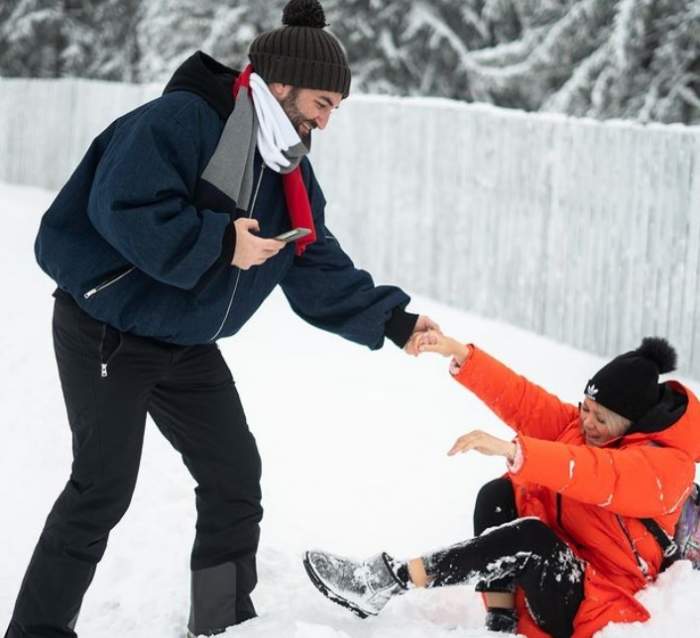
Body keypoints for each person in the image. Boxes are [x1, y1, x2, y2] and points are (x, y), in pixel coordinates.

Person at [4, 1, 440, 637]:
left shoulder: (287, 164)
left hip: (182, 340)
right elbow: (123, 206)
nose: (328, 118)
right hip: (111, 327)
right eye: (324, 102)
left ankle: (220, 624)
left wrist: (396, 323)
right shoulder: (182, 121)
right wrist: (219, 243)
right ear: (281, 84)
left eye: (335, 108)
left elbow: (311, 256)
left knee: (234, 479)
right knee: (101, 490)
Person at [304, 335, 700, 638]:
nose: (586, 422)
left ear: (632, 422)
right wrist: (458, 352)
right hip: (563, 574)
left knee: (530, 536)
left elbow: (596, 473)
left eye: (600, 417)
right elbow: (526, 401)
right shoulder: (585, 429)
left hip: (598, 603)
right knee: (497, 495)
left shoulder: (664, 469)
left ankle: (386, 581)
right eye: (584, 408)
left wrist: (514, 449)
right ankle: (501, 619)